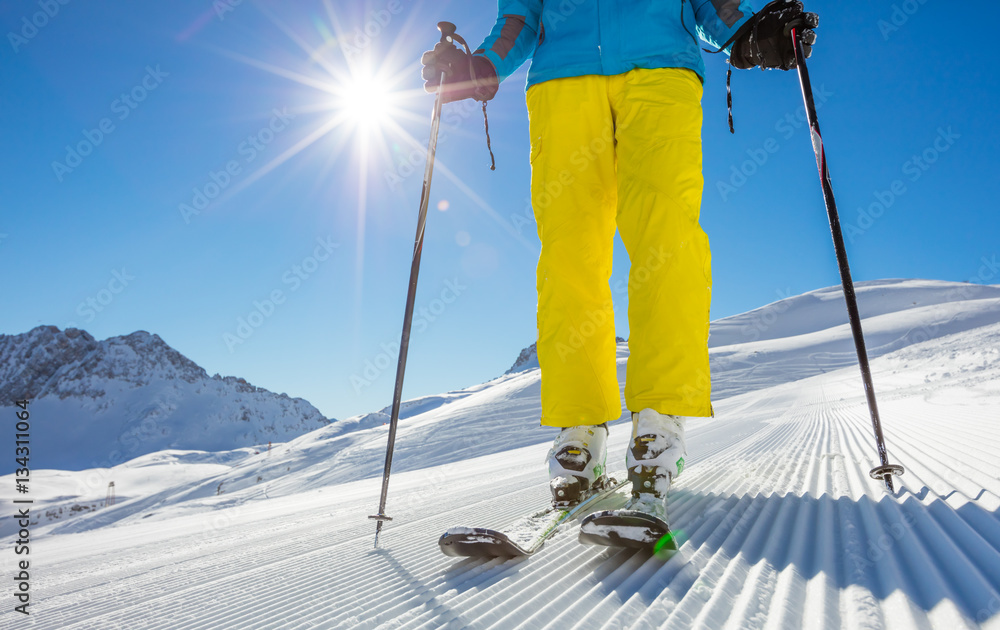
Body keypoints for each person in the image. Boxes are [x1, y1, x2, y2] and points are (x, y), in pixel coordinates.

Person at [421, 1, 818, 520]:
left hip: (660, 73)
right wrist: (484, 64)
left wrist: (748, 30)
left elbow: (709, 4)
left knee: (666, 242)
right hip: (562, 85)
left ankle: (659, 423)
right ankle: (579, 435)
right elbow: (519, 18)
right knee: (569, 257)